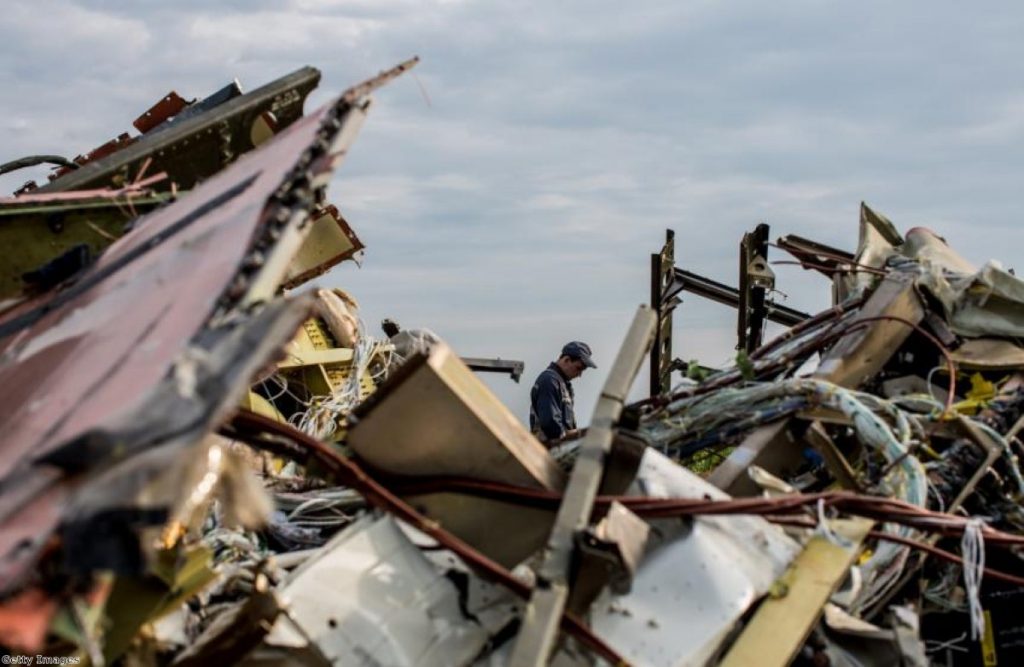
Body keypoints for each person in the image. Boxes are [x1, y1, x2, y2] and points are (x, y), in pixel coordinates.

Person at [529, 341, 597, 445]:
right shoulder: (549, 381)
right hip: (545, 449)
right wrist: (576, 435)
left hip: (556, 447)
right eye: (578, 368)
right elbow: (551, 425)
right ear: (566, 360)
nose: (579, 375)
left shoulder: (563, 384)